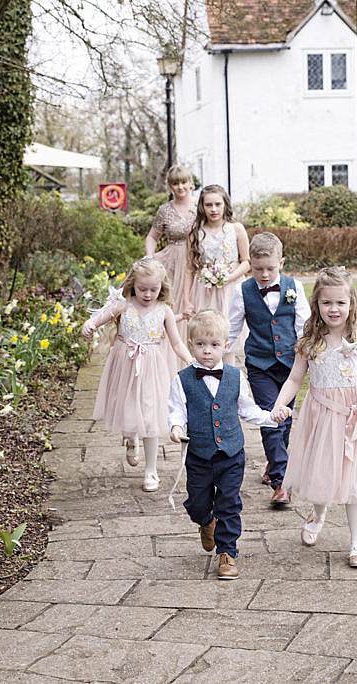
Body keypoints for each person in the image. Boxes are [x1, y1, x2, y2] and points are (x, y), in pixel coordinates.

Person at [271, 267, 357, 568]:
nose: (334, 309)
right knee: (322, 471)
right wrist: (280, 404)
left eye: (340, 303)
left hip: (354, 417)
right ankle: (318, 513)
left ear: (351, 304)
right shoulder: (310, 341)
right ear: (317, 305)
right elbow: (295, 379)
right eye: (327, 303)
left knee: (354, 480)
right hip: (321, 416)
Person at [168, 310, 284, 580]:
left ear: (225, 345)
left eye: (214, 345)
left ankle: (227, 553)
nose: (207, 351)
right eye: (200, 345)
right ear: (190, 344)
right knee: (197, 502)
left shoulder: (235, 376)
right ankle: (205, 521)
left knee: (229, 503)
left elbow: (248, 409)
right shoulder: (181, 380)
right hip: (198, 454)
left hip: (231, 454)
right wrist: (175, 427)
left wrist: (271, 418)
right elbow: (176, 410)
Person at [82, 257, 192, 492]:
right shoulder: (123, 304)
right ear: (133, 284)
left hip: (152, 368)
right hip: (124, 365)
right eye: (143, 289)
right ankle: (131, 438)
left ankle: (151, 470)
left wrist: (191, 361)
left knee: (151, 417)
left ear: (161, 288)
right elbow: (99, 317)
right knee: (127, 407)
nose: (148, 294)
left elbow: (177, 343)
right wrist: (89, 325)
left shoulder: (164, 311)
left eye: (154, 289)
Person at [227, 232, 310, 508]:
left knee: (284, 419)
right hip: (259, 364)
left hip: (290, 366)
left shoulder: (294, 287)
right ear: (250, 265)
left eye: (270, 269)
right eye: (257, 269)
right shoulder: (242, 291)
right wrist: (216, 354)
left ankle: (274, 463)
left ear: (281, 263)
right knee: (271, 416)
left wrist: (307, 356)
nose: (263, 274)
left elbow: (304, 327)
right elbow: (233, 327)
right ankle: (280, 482)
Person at [185, 185, 250, 363]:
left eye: (217, 204)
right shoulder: (196, 232)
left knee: (228, 334)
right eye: (208, 205)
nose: (213, 209)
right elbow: (190, 268)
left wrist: (228, 277)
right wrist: (187, 299)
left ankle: (229, 378)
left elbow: (246, 262)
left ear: (225, 205)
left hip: (231, 288)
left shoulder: (236, 229)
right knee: (205, 333)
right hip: (204, 291)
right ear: (202, 207)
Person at [146, 165, 196, 359]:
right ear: (170, 186)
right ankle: (172, 358)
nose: (180, 187)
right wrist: (150, 256)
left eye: (183, 182)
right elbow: (152, 237)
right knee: (172, 307)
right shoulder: (165, 210)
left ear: (190, 184)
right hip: (171, 263)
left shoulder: (199, 207)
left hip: (196, 261)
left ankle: (198, 354)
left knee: (193, 306)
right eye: (175, 183)